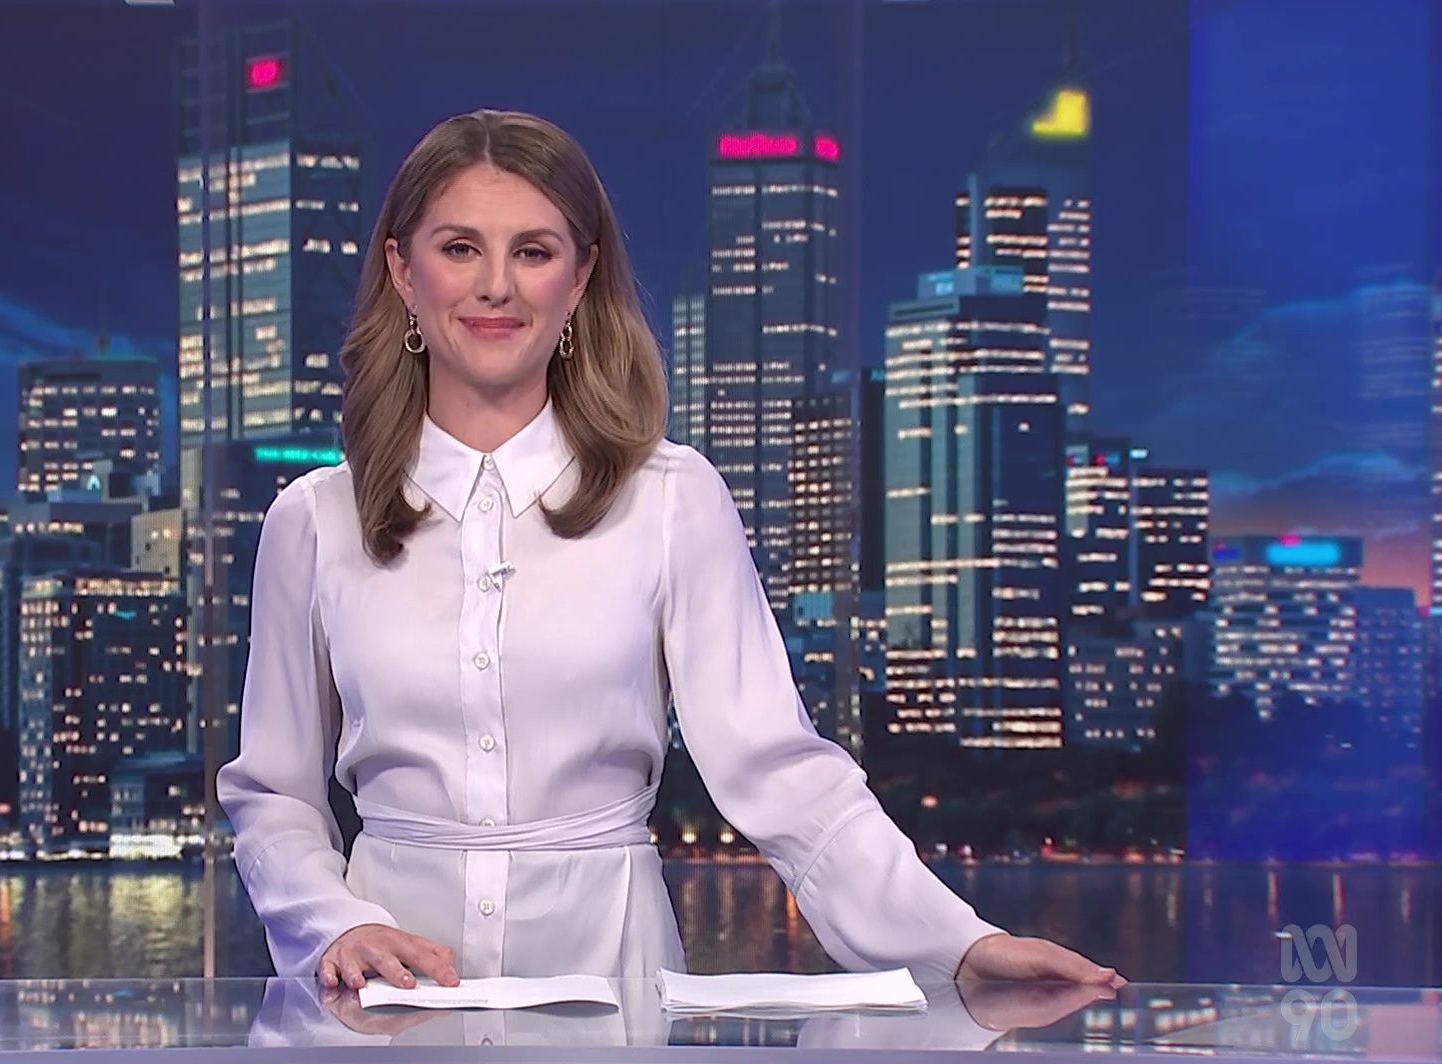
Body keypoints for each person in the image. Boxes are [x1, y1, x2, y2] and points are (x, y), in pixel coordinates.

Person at [217, 108, 1126, 997]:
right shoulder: (314, 521)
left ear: (579, 279)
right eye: (460, 248)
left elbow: (780, 773)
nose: (496, 286)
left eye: (533, 252)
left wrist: (960, 944)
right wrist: (335, 926)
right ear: (403, 272)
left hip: (612, 982)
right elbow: (275, 795)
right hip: (384, 1003)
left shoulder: (671, 499)